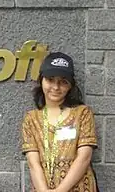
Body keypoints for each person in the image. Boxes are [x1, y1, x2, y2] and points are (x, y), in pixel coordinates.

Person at [21, 52, 99, 192]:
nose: (56, 87)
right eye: (50, 80)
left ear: (70, 86)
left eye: (63, 82)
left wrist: (60, 191)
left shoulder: (82, 114)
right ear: (41, 81)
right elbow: (33, 163)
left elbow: (84, 157)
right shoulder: (31, 119)